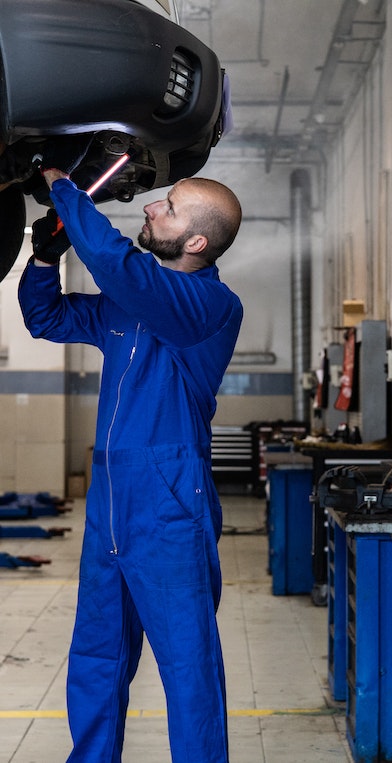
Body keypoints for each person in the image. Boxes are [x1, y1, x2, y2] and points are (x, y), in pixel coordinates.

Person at [18, 145, 243, 763]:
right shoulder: (130, 304)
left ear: (196, 243)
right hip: (111, 500)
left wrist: (64, 185)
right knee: (97, 653)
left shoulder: (209, 308)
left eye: (167, 209)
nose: (152, 206)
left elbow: (118, 266)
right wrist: (42, 258)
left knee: (187, 665)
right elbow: (47, 319)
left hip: (170, 503)